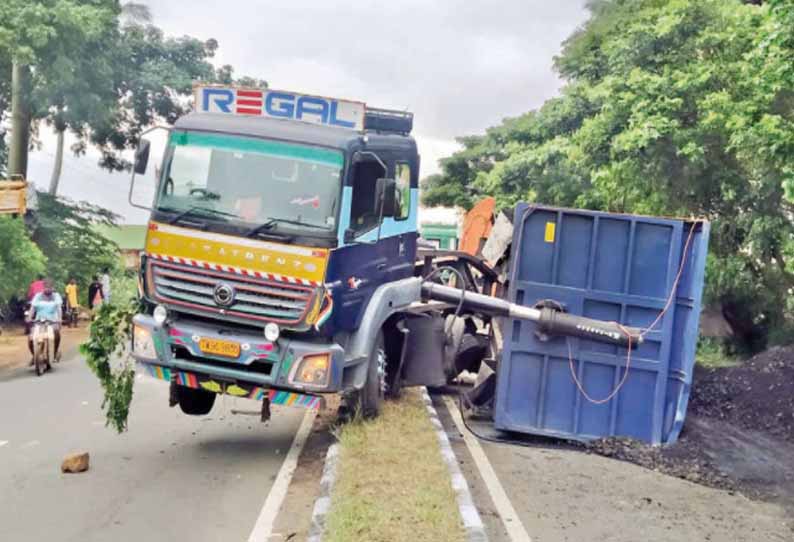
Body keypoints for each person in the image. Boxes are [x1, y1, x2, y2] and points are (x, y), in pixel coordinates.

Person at [29, 283, 63, 362]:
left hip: (52, 320)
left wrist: (60, 318)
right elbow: (33, 308)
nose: (47, 289)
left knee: (56, 332)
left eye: (49, 287)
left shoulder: (56, 296)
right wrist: (29, 317)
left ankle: (55, 353)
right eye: (46, 287)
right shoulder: (38, 296)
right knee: (30, 338)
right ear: (43, 288)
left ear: (52, 288)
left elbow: (59, 308)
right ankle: (34, 356)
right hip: (39, 320)